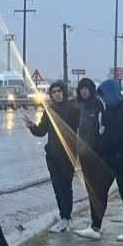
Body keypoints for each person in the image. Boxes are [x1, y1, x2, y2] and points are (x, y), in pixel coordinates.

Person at [75, 80, 123, 241]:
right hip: (109, 160)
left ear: (113, 93)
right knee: (100, 191)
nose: (103, 99)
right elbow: (105, 135)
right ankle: (95, 226)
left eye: (105, 96)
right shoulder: (108, 111)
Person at [24, 80, 79, 232]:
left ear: (64, 92)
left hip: (68, 155)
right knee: (57, 188)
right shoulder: (49, 110)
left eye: (59, 91)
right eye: (53, 92)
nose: (56, 94)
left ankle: (67, 218)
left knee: (66, 188)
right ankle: (63, 218)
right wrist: (32, 127)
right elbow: (42, 131)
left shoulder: (73, 109)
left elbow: (80, 129)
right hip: (53, 156)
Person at [74, 78, 107, 231]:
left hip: (97, 154)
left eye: (87, 88)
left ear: (92, 90)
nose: (84, 91)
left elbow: (103, 128)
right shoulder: (78, 106)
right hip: (83, 154)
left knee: (97, 188)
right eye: (82, 89)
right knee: (89, 188)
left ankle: (96, 224)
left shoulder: (98, 105)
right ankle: (95, 222)